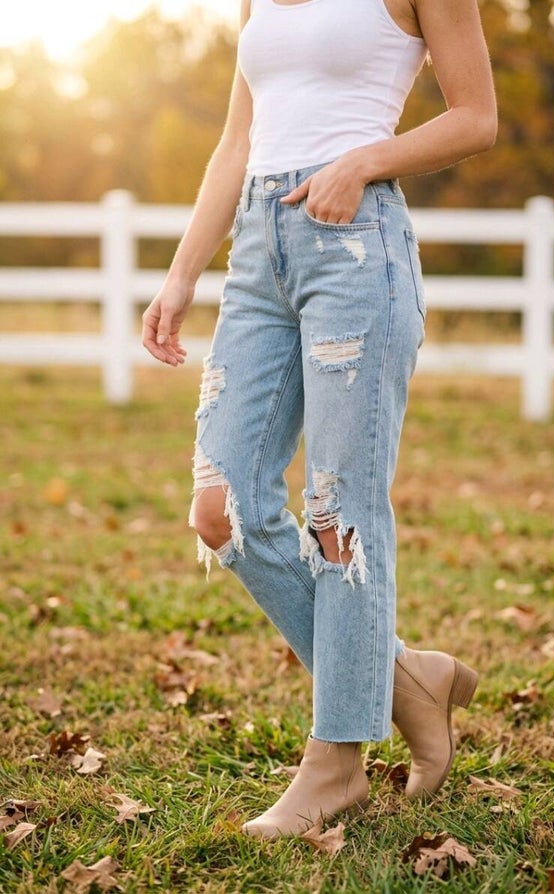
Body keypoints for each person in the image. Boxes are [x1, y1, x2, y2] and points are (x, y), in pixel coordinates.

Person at [142, 0, 497, 840]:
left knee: (341, 512)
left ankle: (337, 761)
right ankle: (408, 681)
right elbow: (238, 142)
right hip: (257, 255)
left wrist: (363, 161)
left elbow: (476, 117)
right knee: (223, 507)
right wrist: (182, 273)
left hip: (356, 243)